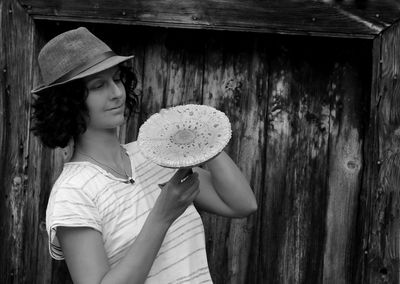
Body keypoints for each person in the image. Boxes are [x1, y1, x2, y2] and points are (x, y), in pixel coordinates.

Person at [31, 27, 257, 284]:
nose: (116, 93)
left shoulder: (154, 155)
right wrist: (161, 216)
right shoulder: (72, 193)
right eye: (98, 86)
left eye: (117, 79)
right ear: (68, 102)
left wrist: (200, 133)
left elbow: (242, 204)